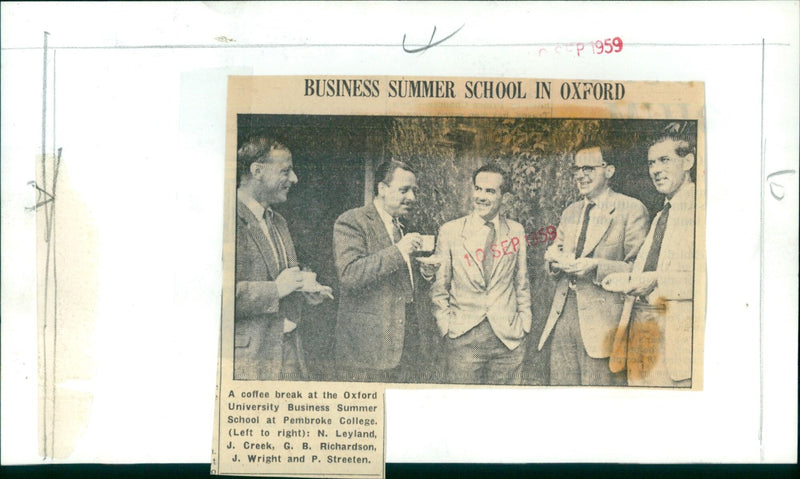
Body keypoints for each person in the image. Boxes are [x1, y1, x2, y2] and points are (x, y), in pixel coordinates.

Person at [538, 147, 649, 386]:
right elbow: (555, 258)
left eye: (588, 168)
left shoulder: (631, 209)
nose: (580, 175)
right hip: (562, 319)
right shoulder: (571, 212)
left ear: (609, 170)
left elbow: (638, 271)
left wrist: (595, 267)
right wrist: (554, 262)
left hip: (603, 326)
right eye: (576, 169)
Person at [234, 137, 332, 380]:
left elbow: (287, 281)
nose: (294, 179)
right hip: (249, 363)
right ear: (257, 171)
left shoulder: (279, 222)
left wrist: (306, 292)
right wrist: (276, 289)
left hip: (291, 359)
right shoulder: (225, 216)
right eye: (285, 171)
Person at [607, 123, 696, 387]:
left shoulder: (702, 209)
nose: (656, 170)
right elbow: (648, 268)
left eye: (665, 160)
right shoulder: (661, 215)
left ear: (688, 161)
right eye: (651, 163)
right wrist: (619, 276)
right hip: (640, 330)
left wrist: (656, 280)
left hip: (675, 343)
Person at [431, 163, 531, 385]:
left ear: (504, 197)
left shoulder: (516, 231)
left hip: (508, 340)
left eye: (490, 191)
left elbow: (521, 283)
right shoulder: (451, 232)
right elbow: (440, 287)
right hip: (463, 338)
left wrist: (524, 325)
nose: (482, 197)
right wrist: (446, 327)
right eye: (478, 189)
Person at [333, 160, 433, 382]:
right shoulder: (352, 221)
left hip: (407, 345)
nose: (412, 198)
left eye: (414, 191)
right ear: (382, 189)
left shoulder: (404, 225)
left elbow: (401, 282)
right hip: (370, 351)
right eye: (404, 190)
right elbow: (350, 274)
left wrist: (425, 273)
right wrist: (399, 251)